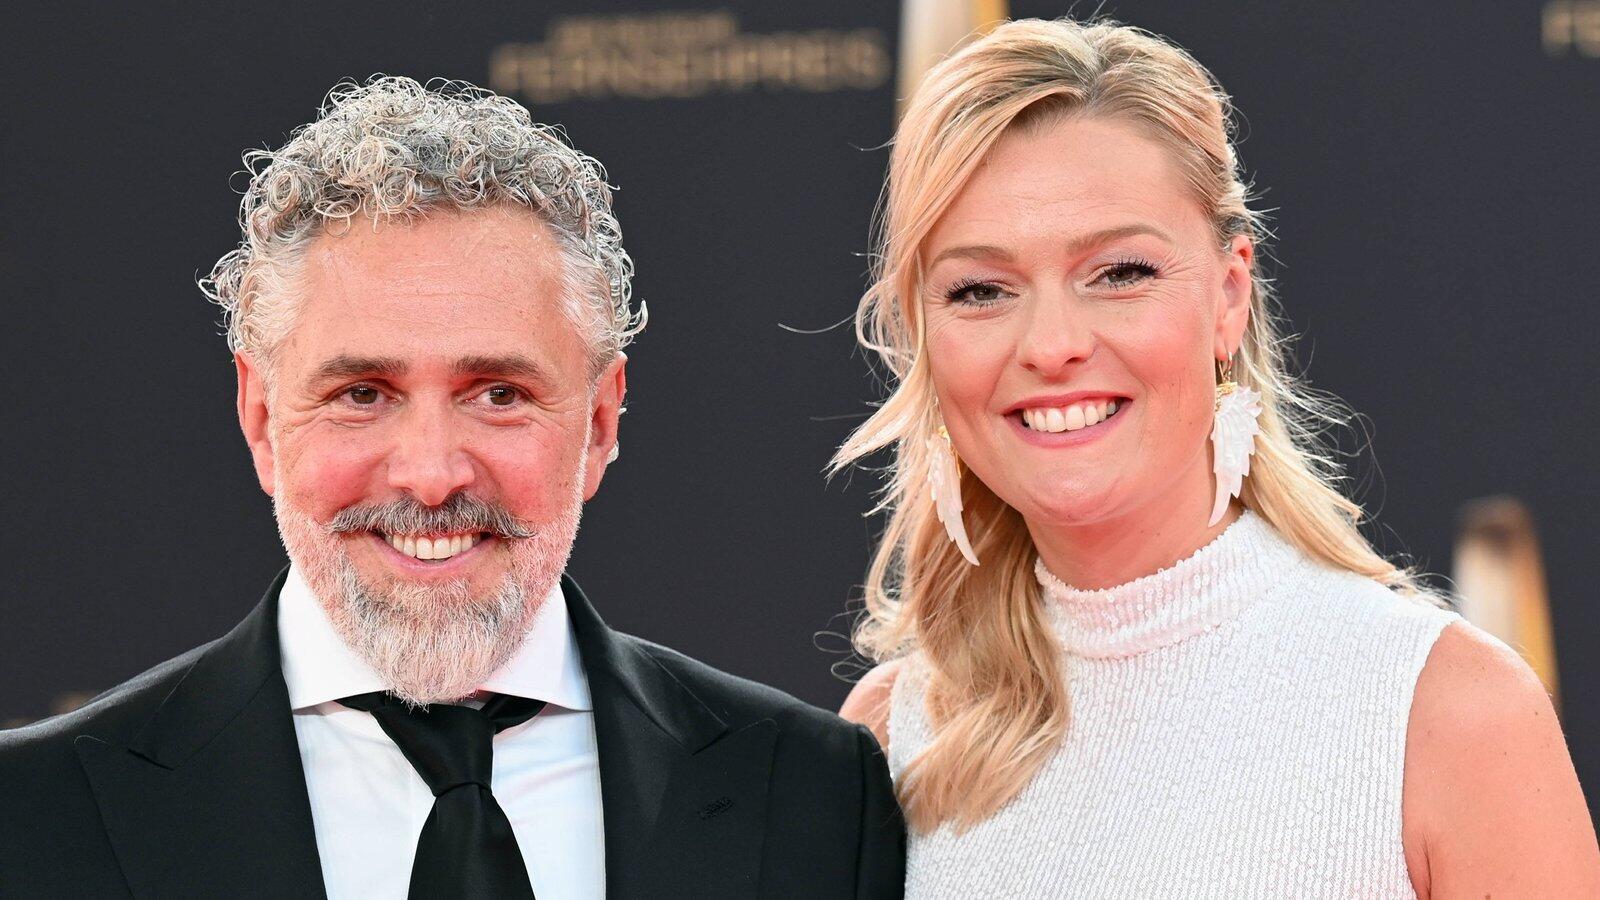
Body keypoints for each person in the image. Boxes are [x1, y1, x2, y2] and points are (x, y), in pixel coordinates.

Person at [0, 77, 904, 899]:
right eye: (362, 394)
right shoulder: (34, 812)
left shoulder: (813, 790)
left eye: (499, 395)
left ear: (599, 422)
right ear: (262, 417)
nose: (431, 477)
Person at [835, 18, 1598, 898]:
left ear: (1230, 294)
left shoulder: (1445, 713)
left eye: (1119, 273)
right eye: (980, 290)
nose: (1050, 344)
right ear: (923, 338)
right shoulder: (889, 737)